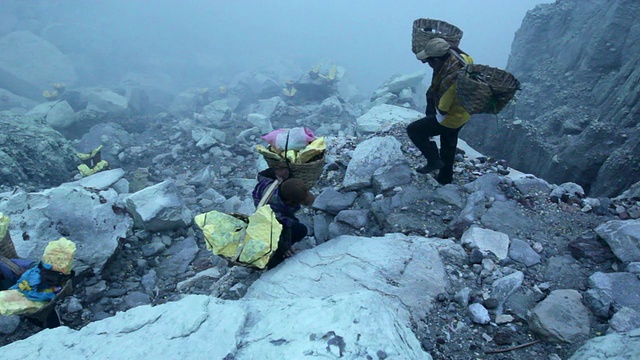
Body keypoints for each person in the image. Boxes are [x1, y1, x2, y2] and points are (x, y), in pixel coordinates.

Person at [406, 37, 473, 185]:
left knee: (414, 130)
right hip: (463, 114)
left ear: (437, 60)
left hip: (450, 117)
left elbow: (443, 107)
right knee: (448, 143)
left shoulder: (453, 77)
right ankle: (445, 178)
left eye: (429, 61)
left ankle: (433, 160)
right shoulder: (462, 59)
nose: (428, 64)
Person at [252, 168, 315, 269]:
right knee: (300, 230)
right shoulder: (276, 213)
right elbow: (284, 228)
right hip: (269, 223)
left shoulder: (270, 184)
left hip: (263, 198)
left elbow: (261, 175)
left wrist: (274, 172)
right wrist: (286, 248)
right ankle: (270, 262)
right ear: (290, 202)